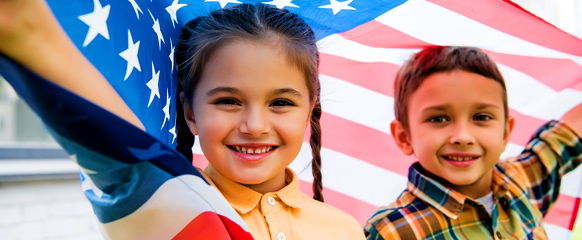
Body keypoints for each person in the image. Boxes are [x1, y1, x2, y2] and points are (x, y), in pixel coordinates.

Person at [174, 4, 365, 239]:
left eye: (281, 102)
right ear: (191, 113)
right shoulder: (163, 219)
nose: (255, 127)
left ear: (308, 111)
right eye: (229, 101)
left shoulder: (345, 231)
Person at [363, 46, 582, 239]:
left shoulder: (522, 180)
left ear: (506, 132)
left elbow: (564, 137)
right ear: (404, 137)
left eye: (482, 117)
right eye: (438, 119)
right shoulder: (391, 232)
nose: (463, 137)